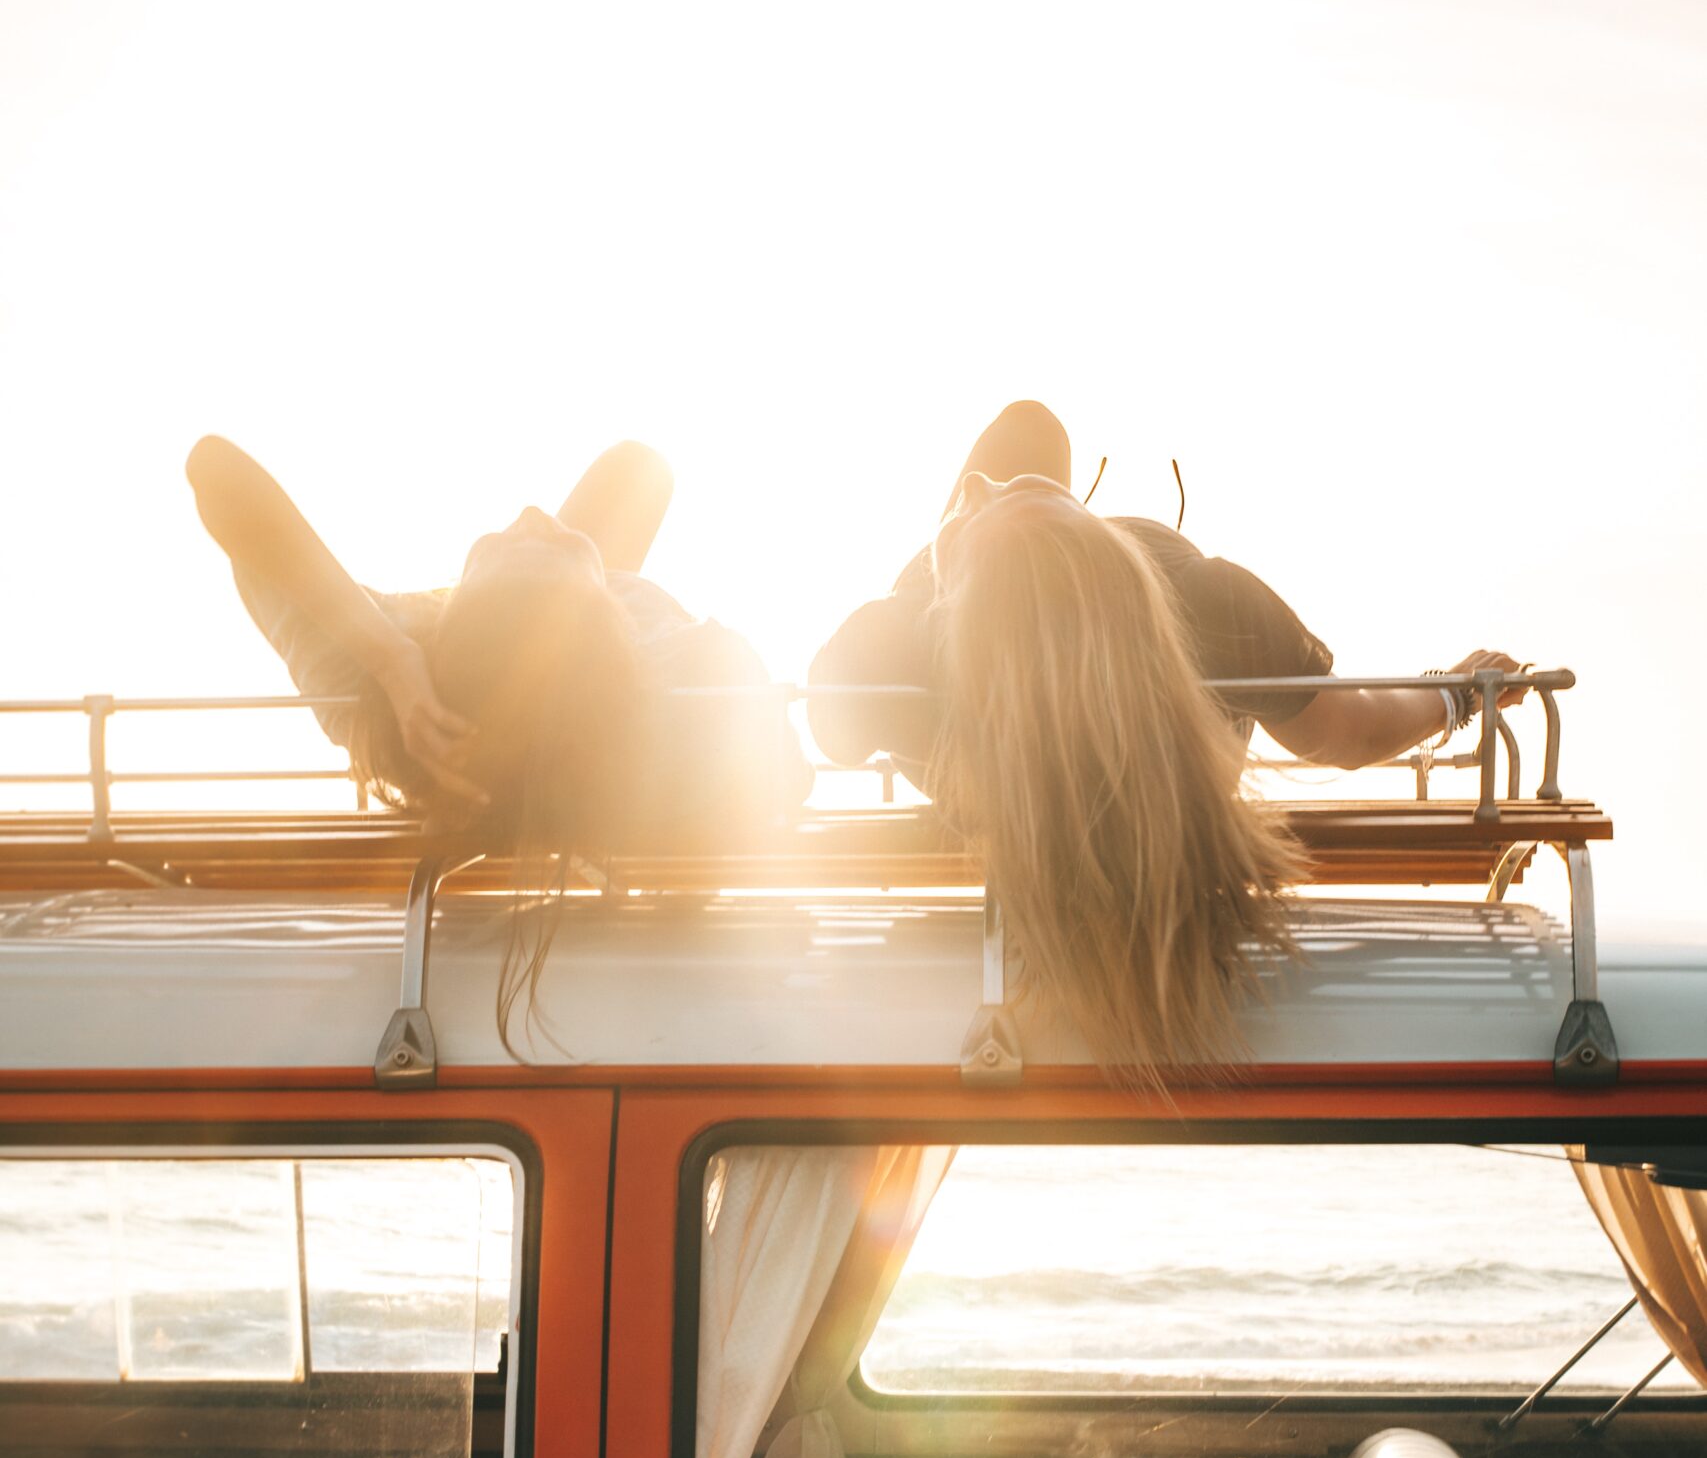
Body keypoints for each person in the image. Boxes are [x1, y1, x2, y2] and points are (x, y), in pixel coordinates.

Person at [807, 401, 1520, 1076]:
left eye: (990, 494)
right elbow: (1347, 730)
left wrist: (921, 589)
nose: (976, 482)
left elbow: (827, 735)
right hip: (1076, 678)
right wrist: (1454, 695)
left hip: (981, 720)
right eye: (1002, 492)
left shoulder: (896, 640)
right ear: (1105, 543)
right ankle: (1012, 539)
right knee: (1032, 436)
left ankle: (991, 546)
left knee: (1027, 430)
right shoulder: (1216, 603)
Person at [188, 432, 809, 1040]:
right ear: (610, 615)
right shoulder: (670, 690)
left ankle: (539, 606)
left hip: (524, 647)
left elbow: (212, 466)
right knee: (642, 466)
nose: (530, 514)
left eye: (500, 546)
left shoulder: (391, 686)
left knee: (639, 468)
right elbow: (784, 775)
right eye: (562, 542)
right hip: (595, 676)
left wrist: (388, 655)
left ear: (449, 612)